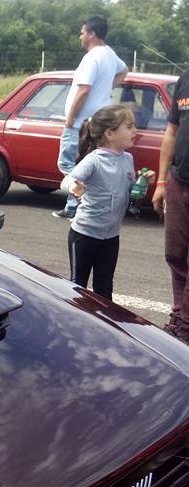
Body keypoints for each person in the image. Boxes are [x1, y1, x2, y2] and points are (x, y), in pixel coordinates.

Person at [60, 105, 148, 301]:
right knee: (77, 287)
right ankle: (74, 319)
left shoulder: (128, 159)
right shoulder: (94, 160)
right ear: (109, 133)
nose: (135, 131)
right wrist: (74, 186)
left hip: (111, 237)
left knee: (105, 289)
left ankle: (102, 320)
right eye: (129, 126)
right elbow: (66, 180)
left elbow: (131, 192)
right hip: (84, 234)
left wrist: (142, 184)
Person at [53, 15, 127, 220]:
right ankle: (72, 206)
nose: (80, 37)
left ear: (91, 34)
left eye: (82, 33)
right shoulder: (110, 54)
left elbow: (84, 90)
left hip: (81, 122)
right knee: (87, 162)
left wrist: (70, 118)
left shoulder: (91, 58)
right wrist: (108, 88)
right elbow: (124, 71)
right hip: (98, 121)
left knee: (67, 163)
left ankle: (81, 203)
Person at [153, 68, 189, 340]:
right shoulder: (185, 78)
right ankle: (179, 318)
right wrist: (162, 182)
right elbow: (171, 132)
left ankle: (184, 327)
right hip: (178, 180)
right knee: (175, 255)